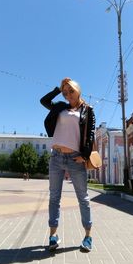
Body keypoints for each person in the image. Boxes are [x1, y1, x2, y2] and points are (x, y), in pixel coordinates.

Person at [40, 77, 95, 252]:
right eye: (65, 93)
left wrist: (84, 156)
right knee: (54, 198)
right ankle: (52, 236)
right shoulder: (61, 107)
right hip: (56, 157)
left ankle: (88, 236)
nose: (68, 95)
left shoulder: (87, 110)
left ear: (78, 90)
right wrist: (59, 88)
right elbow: (43, 101)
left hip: (75, 158)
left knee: (83, 198)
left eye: (71, 91)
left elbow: (91, 133)